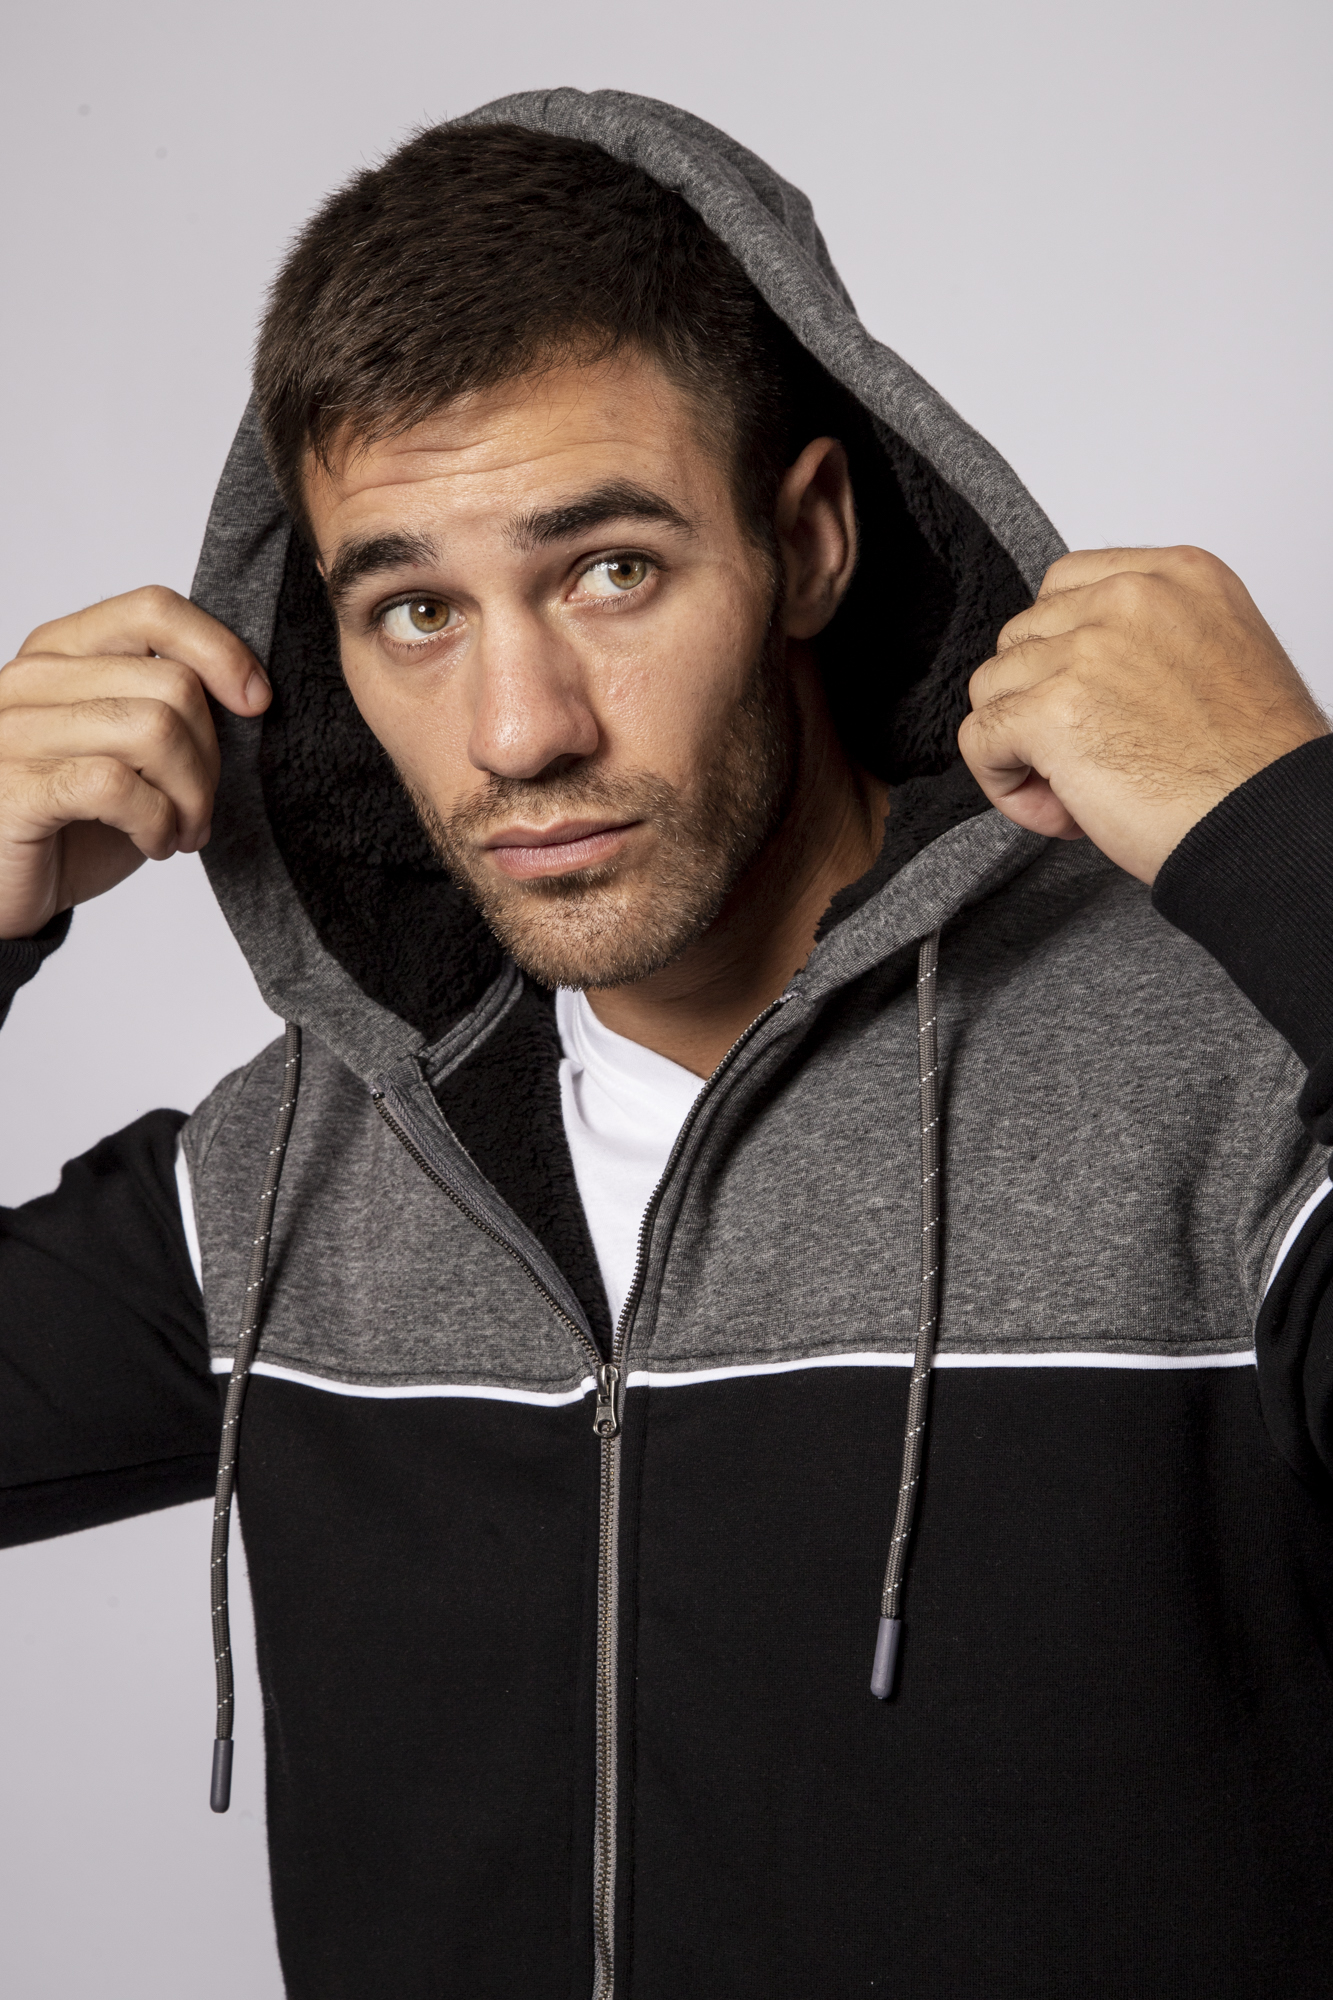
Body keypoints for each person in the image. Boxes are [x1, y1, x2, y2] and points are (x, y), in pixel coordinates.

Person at [1, 87, 1330, 2000]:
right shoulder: (287, 1179)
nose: (519, 729)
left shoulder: (1230, 1096)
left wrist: (1288, 840)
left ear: (807, 542)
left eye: (608, 569)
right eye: (414, 609)